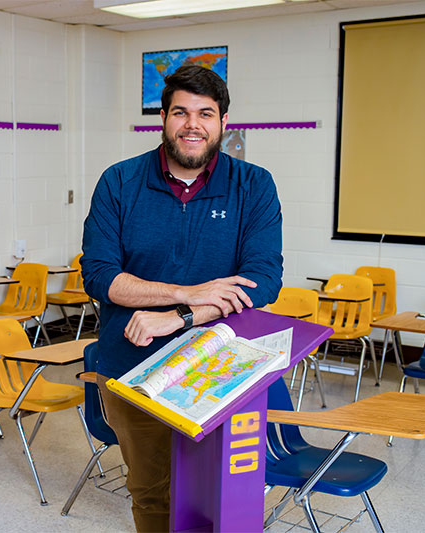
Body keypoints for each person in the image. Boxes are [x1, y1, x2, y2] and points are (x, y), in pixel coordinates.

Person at [80, 64, 283, 532]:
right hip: (132, 370)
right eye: (181, 112)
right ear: (164, 119)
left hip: (222, 372)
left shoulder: (253, 186)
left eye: (206, 113)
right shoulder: (120, 182)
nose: (193, 124)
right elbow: (100, 276)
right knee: (152, 495)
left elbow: (263, 279)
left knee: (223, 496)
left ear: (223, 122)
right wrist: (183, 293)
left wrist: (182, 315)